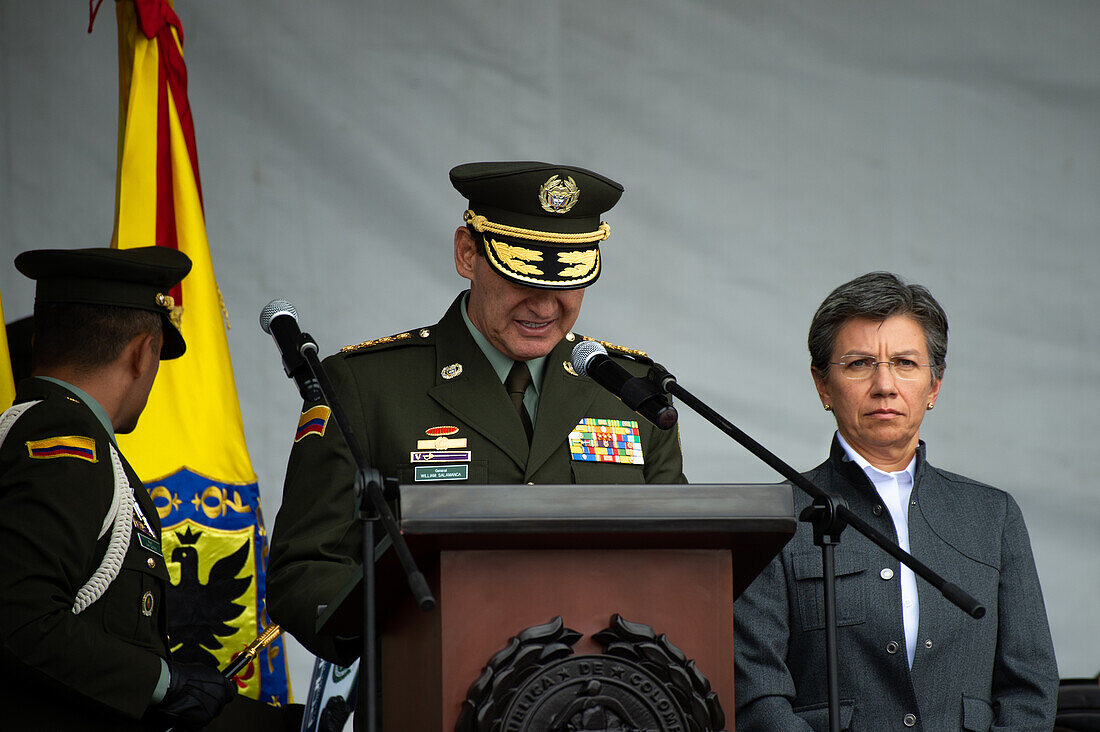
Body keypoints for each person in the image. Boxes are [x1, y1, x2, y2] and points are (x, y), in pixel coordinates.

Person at [267, 161, 687, 663]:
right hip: (436, 688)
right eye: (524, 277)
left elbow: (683, 562)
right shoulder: (363, 386)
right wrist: (407, 627)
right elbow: (304, 569)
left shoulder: (632, 392)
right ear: (468, 253)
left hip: (606, 695)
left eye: (568, 281)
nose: (546, 305)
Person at [733, 271, 1058, 731]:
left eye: (905, 363)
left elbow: (1030, 688)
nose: (884, 385)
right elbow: (756, 690)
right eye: (860, 363)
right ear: (823, 386)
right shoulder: (776, 516)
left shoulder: (993, 517)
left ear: (935, 386)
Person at [0, 247, 237, 730]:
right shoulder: (66, 446)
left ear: (42, 337)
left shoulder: (35, 431)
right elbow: (17, 618)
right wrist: (163, 683)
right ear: (142, 352)